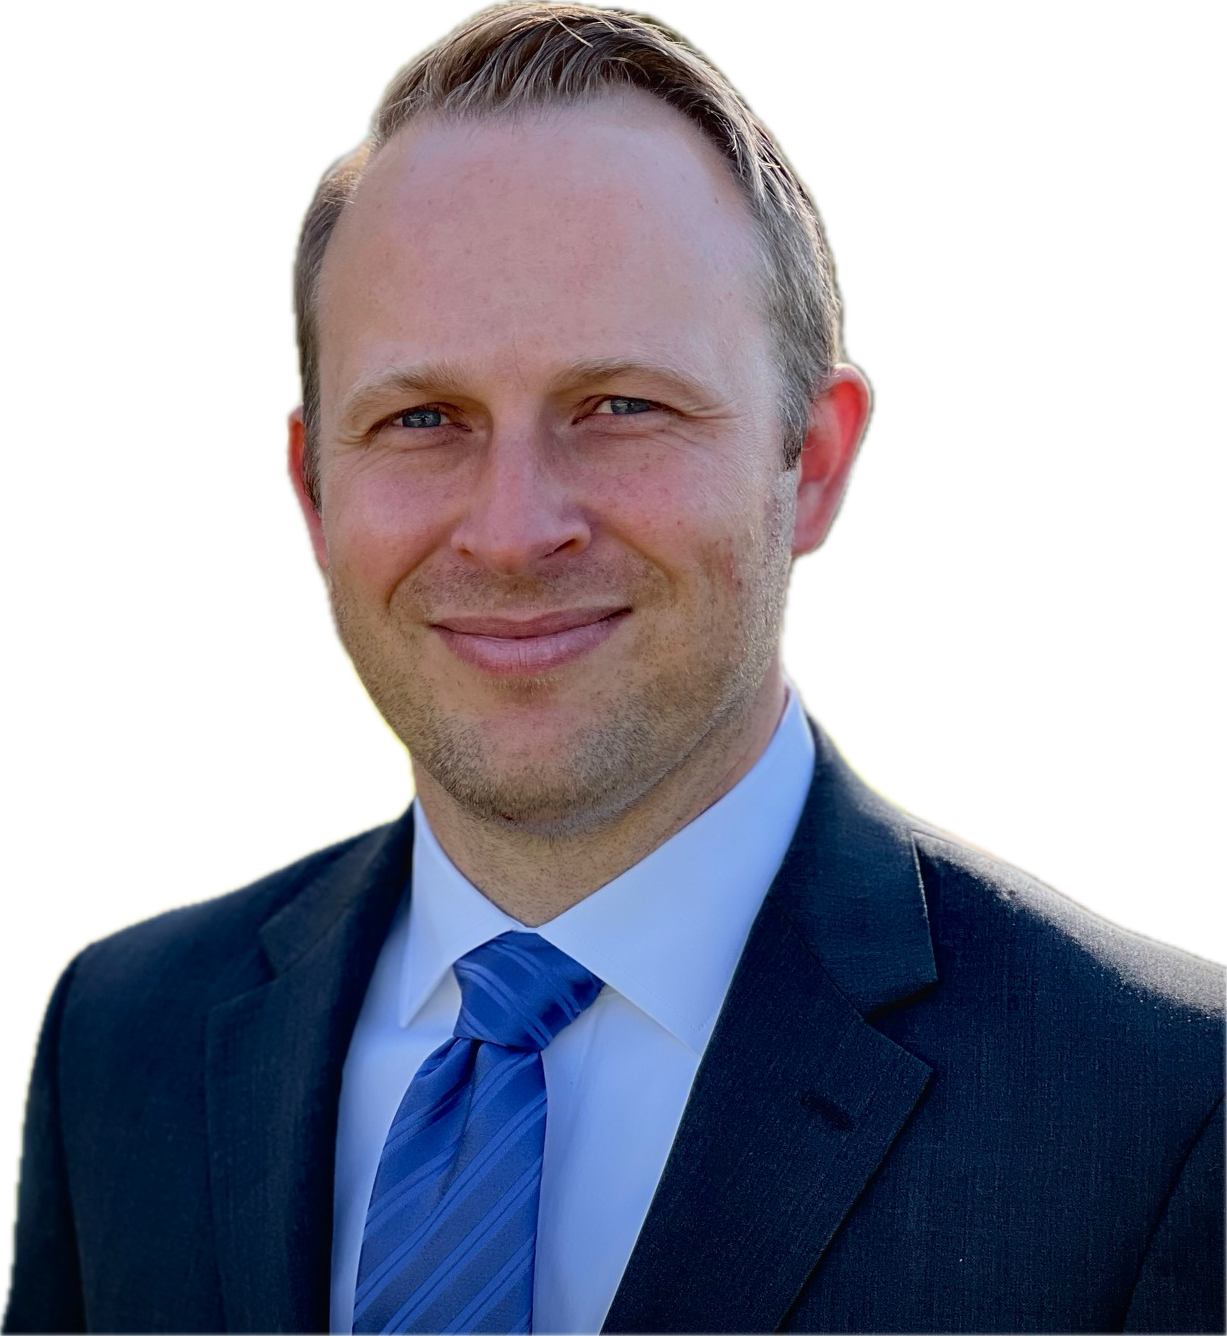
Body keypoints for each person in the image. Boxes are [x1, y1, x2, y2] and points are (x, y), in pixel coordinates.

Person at [4, 3, 1223, 1332]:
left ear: (809, 461)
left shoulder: (1165, 1110)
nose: (516, 529)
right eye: (421, 419)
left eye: (620, 407)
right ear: (308, 491)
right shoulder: (126, 1040)